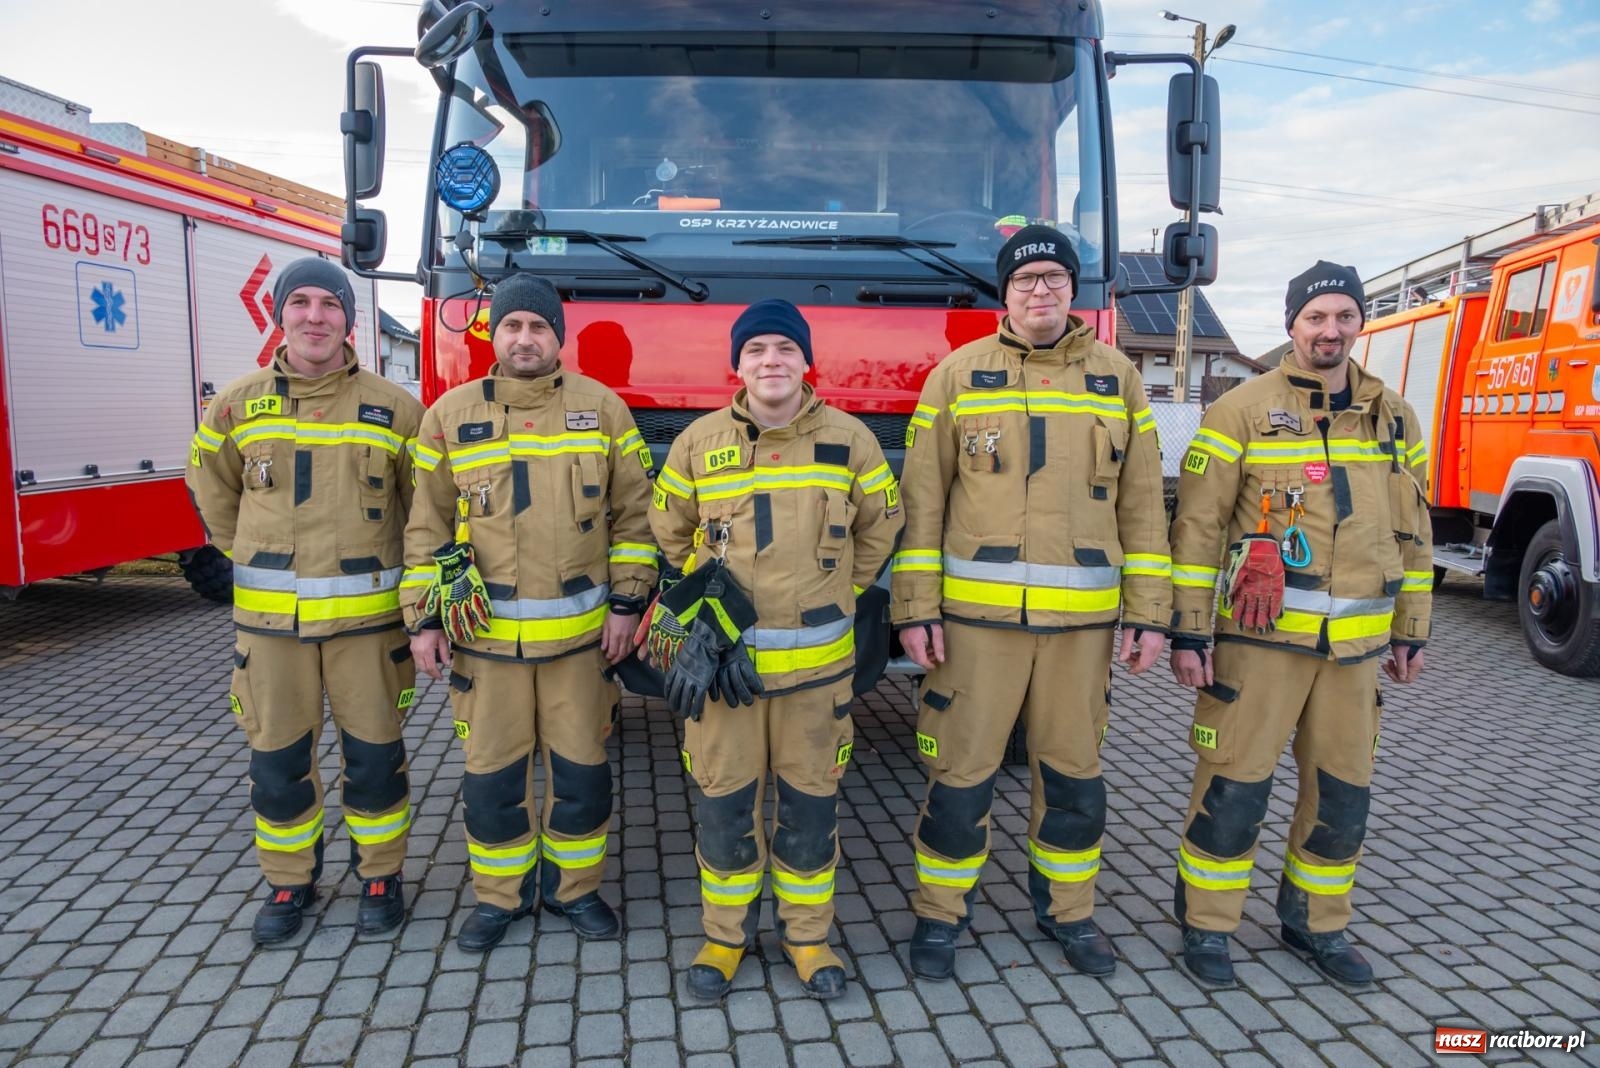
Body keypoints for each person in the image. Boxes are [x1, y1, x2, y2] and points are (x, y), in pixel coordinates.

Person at [891, 225, 1171, 980]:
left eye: (1053, 278)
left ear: (1071, 289)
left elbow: (1145, 507)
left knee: (1074, 779)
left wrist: (1149, 614)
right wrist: (914, 610)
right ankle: (940, 917)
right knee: (960, 776)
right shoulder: (956, 375)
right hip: (974, 631)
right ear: (1005, 293)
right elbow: (921, 505)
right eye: (1025, 280)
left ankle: (1069, 914)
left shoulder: (1119, 379)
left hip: (1081, 631)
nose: (1040, 290)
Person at [1167, 261, 1432, 988]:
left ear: (1360, 324)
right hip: (1258, 647)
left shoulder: (1395, 417)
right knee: (1232, 791)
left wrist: (1412, 629)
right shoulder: (1242, 410)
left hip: (1354, 653)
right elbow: (1196, 527)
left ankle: (1316, 924)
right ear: (1292, 326)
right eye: (1316, 317)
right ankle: (1208, 926)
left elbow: (1414, 535)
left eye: (1344, 316)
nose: (1330, 330)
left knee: (1342, 797)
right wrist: (1189, 633)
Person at [649, 299, 902, 1000]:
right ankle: (724, 939)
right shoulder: (698, 444)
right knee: (725, 812)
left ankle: (808, 938)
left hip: (817, 680)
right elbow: (667, 534)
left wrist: (834, 593)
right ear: (737, 363)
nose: (771, 361)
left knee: (809, 816)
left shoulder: (851, 441)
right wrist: (699, 618)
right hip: (726, 678)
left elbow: (881, 529)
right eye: (756, 349)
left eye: (785, 349)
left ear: (805, 361)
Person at [402, 274, 657, 952]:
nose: (524, 338)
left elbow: (637, 518)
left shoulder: (603, 410)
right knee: (491, 784)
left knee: (581, 779)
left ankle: (575, 892)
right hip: (484, 651)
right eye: (512, 326)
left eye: (538, 327)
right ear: (494, 333)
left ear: (557, 338)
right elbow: (424, 529)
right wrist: (424, 620)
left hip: (580, 646)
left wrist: (629, 603)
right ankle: (499, 899)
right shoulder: (449, 416)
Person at [187, 257, 425, 944]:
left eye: (330, 304)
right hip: (272, 631)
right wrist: (257, 560)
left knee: (376, 759)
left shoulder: (395, 409)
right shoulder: (235, 405)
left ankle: (380, 874)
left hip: (368, 627)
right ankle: (289, 882)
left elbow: (421, 513)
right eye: (302, 303)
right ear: (280, 314)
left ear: (350, 319)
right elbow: (212, 490)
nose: (316, 316)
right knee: (278, 762)